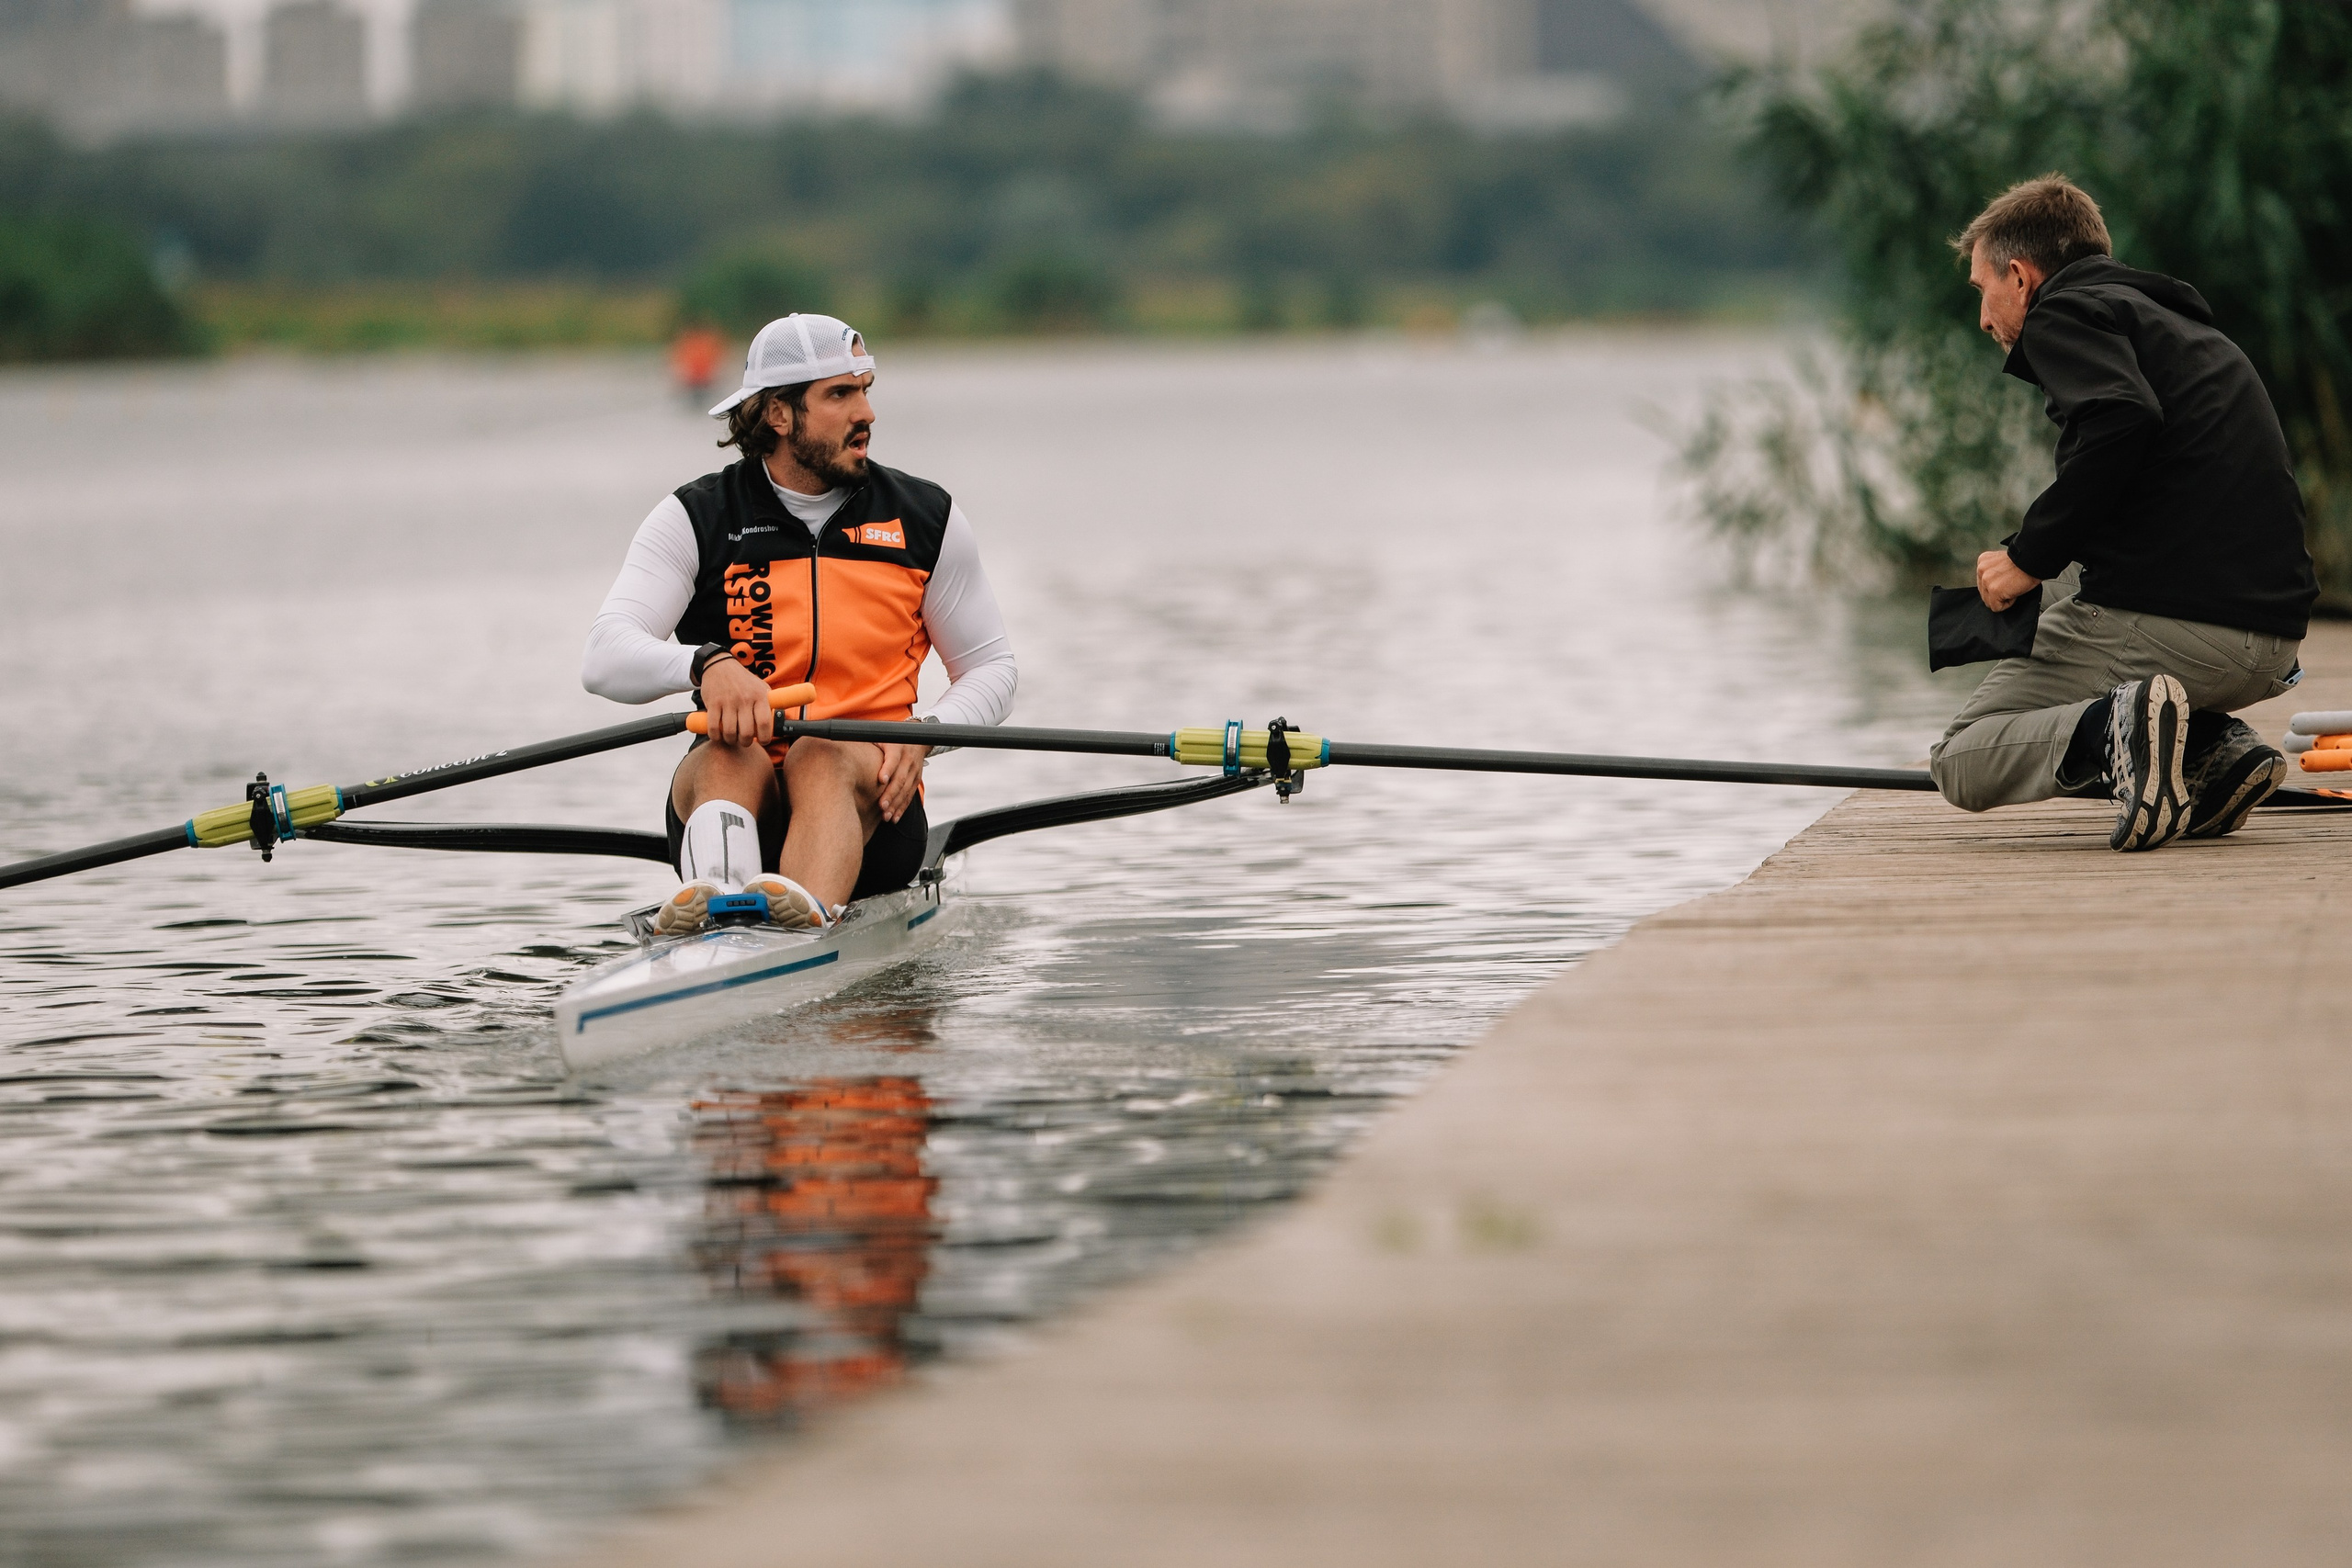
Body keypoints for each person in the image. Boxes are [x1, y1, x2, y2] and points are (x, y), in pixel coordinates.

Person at [583, 313, 1017, 931]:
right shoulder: (697, 518)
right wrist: (705, 665)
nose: (866, 413)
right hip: (737, 793)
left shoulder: (924, 519)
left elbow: (992, 669)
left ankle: (783, 927)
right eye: (840, 394)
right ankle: (725, 912)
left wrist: (926, 734)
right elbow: (603, 656)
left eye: (865, 389)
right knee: (730, 752)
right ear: (778, 415)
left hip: (873, 806)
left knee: (820, 751)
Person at [1929, 175, 2317, 851]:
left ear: (2019, 276)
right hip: (2272, 640)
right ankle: (2214, 754)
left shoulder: (2062, 315)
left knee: (1961, 756)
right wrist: (2030, 564)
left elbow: (2121, 419)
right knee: (2052, 584)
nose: (1984, 318)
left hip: (2189, 621)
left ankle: (2123, 727)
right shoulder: (2173, 326)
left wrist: (2026, 556)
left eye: (1981, 289)